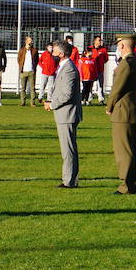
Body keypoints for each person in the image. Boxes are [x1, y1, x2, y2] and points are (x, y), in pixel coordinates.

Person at [105, 33, 136, 195]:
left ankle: (125, 186)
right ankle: (133, 184)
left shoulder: (125, 64)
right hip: (133, 109)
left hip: (122, 111)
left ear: (122, 46)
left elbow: (117, 89)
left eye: (118, 45)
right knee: (132, 149)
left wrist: (109, 106)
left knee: (123, 151)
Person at [44, 39, 82, 189]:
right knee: (68, 149)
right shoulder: (64, 67)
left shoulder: (69, 69)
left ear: (61, 53)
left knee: (68, 150)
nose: (52, 53)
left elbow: (67, 94)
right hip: (64, 114)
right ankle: (70, 179)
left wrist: (52, 104)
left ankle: (69, 181)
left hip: (67, 115)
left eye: (54, 51)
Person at [17, 36, 39, 106]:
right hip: (23, 72)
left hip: (31, 72)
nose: (31, 42)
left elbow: (36, 60)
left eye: (31, 41)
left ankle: (32, 102)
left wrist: (34, 68)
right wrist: (21, 67)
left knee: (32, 88)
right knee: (23, 88)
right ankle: (22, 102)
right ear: (26, 42)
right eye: (30, 40)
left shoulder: (34, 50)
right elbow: (19, 59)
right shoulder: (22, 50)